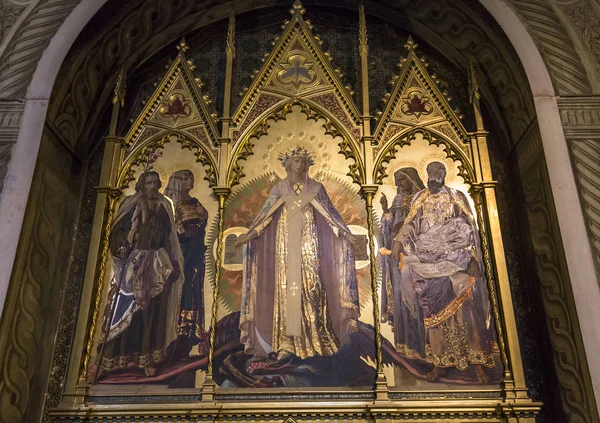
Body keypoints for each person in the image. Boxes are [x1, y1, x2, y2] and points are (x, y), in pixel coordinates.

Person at [233, 146, 361, 363]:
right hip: (285, 247)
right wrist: (250, 235)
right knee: (287, 290)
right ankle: (287, 342)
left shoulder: (317, 189)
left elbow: (331, 217)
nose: (300, 165)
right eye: (296, 162)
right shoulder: (279, 189)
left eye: (303, 161)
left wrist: (346, 235)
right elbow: (265, 217)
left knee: (313, 287)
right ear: (287, 165)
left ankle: (318, 338)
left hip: (310, 244)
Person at [392, 162, 498, 383]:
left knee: (466, 311)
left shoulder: (456, 196)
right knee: (434, 314)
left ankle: (477, 361)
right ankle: (440, 362)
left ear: (444, 174)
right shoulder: (420, 198)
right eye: (431, 172)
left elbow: (470, 227)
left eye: (438, 173)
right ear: (426, 175)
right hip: (428, 264)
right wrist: (398, 243)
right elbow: (410, 224)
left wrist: (474, 259)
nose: (434, 176)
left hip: (456, 261)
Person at [97, 171, 184, 378]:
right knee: (119, 310)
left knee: (148, 313)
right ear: (141, 185)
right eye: (148, 183)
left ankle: (147, 359)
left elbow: (157, 237)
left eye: (155, 183)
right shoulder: (128, 204)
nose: (152, 187)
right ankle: (109, 360)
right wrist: (126, 240)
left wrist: (145, 213)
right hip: (127, 267)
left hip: (153, 266)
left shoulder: (162, 206)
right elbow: (115, 234)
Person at [379, 168, 425, 352]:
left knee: (418, 294)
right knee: (401, 293)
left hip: (416, 252)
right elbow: (390, 222)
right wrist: (385, 211)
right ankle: (407, 343)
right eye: (396, 181)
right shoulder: (397, 200)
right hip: (397, 252)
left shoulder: (421, 198)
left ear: (411, 179)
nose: (399, 185)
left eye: (401, 180)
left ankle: (423, 342)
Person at [164, 170, 208, 351]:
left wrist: (202, 218)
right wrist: (180, 230)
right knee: (178, 288)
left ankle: (190, 329)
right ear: (178, 182)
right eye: (186, 178)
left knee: (193, 288)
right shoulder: (170, 205)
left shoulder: (195, 202)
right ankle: (174, 330)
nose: (191, 180)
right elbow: (168, 230)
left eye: (191, 177)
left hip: (195, 252)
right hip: (180, 253)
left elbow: (201, 223)